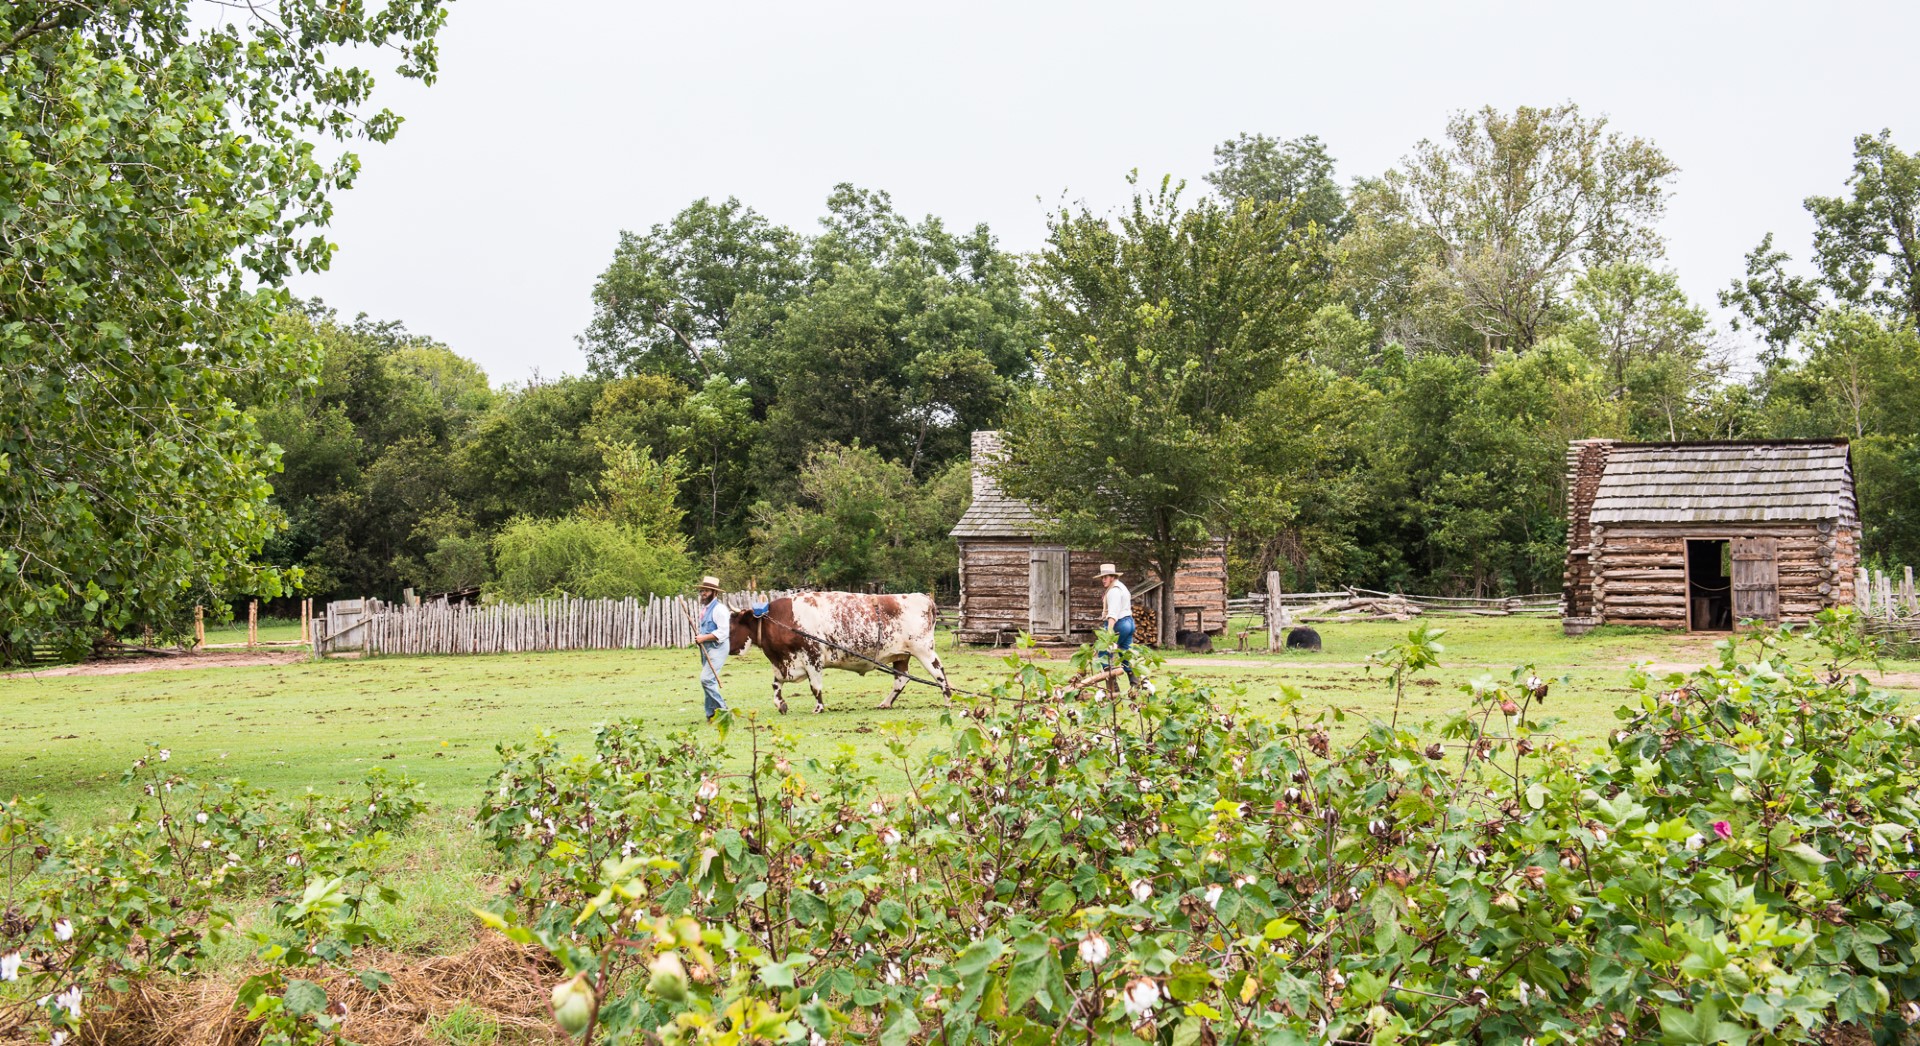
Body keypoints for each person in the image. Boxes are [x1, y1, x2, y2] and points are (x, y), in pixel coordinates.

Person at [691, 576, 730, 721]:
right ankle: (711, 714)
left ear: (715, 593)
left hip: (718, 647)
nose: (703, 593)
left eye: (706, 591)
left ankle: (724, 711)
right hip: (706, 648)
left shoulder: (720, 609)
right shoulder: (705, 608)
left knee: (706, 679)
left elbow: (723, 632)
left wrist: (703, 637)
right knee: (710, 682)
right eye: (702, 590)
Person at [1096, 563, 1138, 686]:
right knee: (1125, 652)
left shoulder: (1113, 591)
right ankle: (1135, 683)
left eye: (1106, 577)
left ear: (1113, 577)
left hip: (1119, 623)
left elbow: (1113, 614)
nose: (1103, 580)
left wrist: (1108, 633)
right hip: (1129, 622)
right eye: (1102, 577)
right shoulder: (1122, 587)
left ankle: (1112, 685)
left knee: (1104, 652)